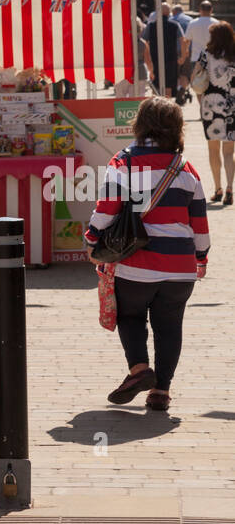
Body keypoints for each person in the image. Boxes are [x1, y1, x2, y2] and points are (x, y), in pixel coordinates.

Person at [84, 96, 209, 411]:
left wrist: (92, 238)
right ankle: (161, 392)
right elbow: (200, 224)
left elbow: (106, 209)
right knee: (170, 326)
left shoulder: (124, 162)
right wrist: (201, 257)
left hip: (137, 264)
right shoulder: (187, 169)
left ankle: (139, 370)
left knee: (131, 314)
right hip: (180, 267)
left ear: (140, 125)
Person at [193, 20, 235, 205]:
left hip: (211, 106)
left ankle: (217, 188)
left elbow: (196, 78)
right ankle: (229, 188)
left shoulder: (206, 54)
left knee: (213, 149)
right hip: (233, 106)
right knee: (229, 152)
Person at [141, 3, 183, 97]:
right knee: (168, 86)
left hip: (155, 58)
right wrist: (183, 56)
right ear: (169, 13)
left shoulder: (151, 26)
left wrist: (146, 55)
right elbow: (182, 40)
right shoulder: (175, 25)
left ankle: (155, 108)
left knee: (155, 85)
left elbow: (144, 41)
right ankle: (167, 108)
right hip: (171, 59)